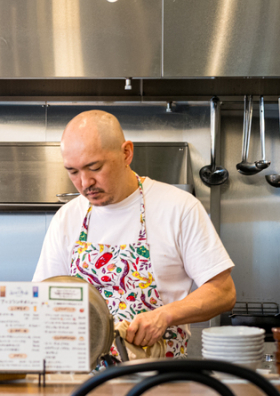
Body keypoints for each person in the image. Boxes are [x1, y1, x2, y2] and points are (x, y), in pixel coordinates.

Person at [32, 110, 236, 358]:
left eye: (94, 167)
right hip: (82, 381)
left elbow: (223, 291)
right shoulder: (67, 218)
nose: (85, 183)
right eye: (73, 172)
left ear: (126, 153)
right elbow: (42, 300)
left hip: (157, 381)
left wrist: (165, 315)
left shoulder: (179, 208)